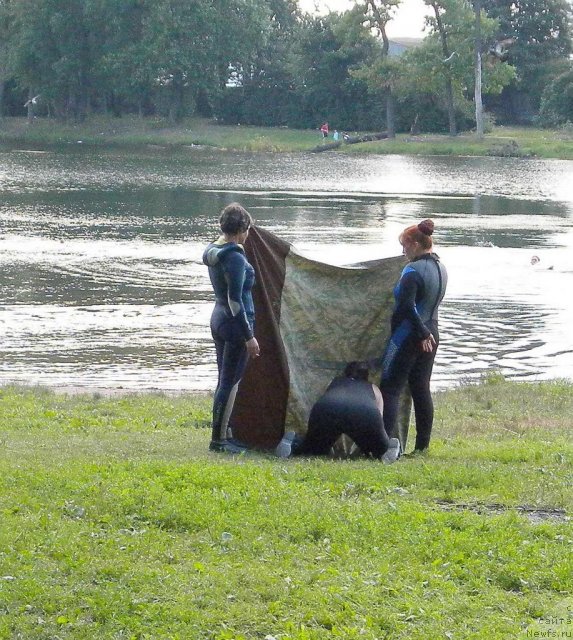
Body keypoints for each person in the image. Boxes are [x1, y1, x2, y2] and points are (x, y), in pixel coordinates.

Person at [379, 219, 447, 453]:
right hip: (433, 332)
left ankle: (387, 445)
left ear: (417, 244)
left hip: (409, 335)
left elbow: (408, 307)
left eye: (405, 246)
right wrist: (428, 332)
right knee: (421, 388)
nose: (403, 251)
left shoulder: (412, 271)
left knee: (390, 387)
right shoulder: (441, 268)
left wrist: (421, 332)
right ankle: (422, 447)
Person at [203, 203, 260, 453]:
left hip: (218, 319)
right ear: (241, 229)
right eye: (247, 230)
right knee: (230, 382)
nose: (248, 236)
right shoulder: (235, 258)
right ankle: (219, 441)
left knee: (223, 380)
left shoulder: (214, 250)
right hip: (234, 324)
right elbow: (235, 300)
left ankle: (224, 432)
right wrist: (249, 336)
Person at [276, 361, 401, 463]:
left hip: (327, 408)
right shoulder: (373, 388)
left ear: (345, 373)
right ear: (366, 376)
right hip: (364, 413)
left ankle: (294, 442)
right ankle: (389, 448)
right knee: (378, 451)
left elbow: (325, 397)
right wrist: (376, 441)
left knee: (313, 449)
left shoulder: (335, 382)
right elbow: (378, 418)